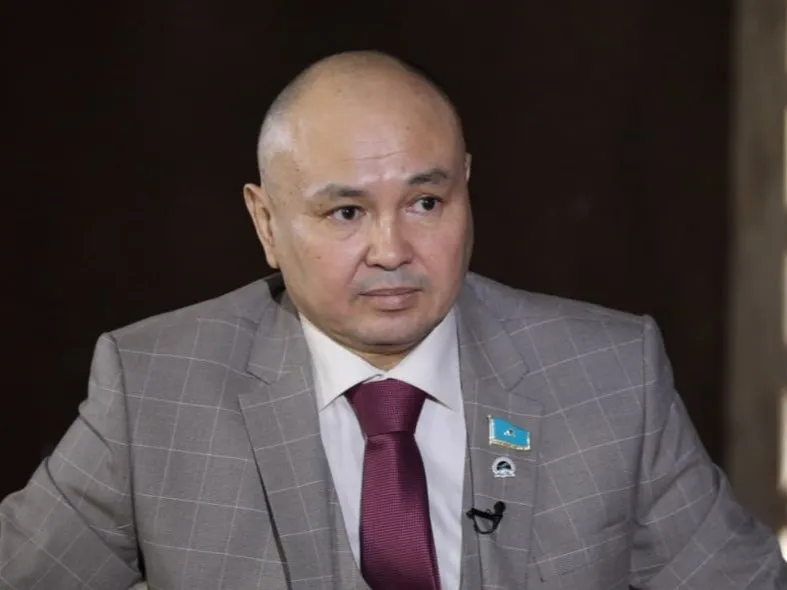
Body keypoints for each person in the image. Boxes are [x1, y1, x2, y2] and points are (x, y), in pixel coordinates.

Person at [0, 50, 784, 590]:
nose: (391, 250)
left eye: (425, 202)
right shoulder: (154, 390)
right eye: (345, 212)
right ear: (266, 223)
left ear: (466, 188)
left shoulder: (610, 375)